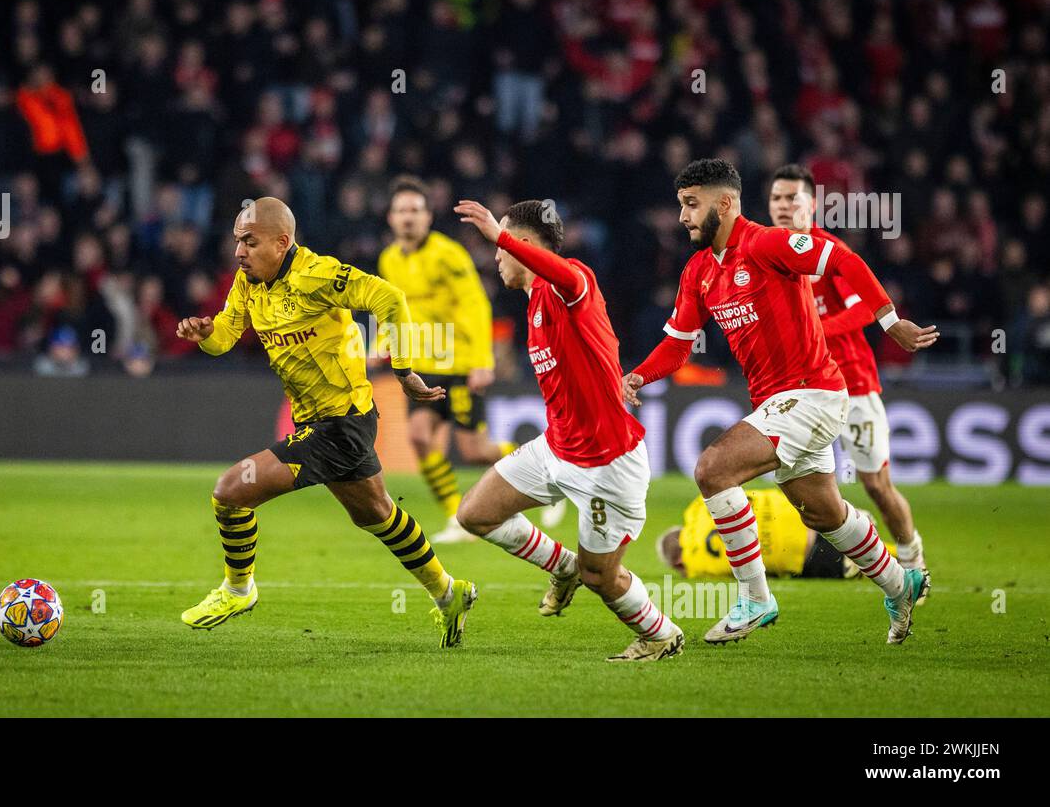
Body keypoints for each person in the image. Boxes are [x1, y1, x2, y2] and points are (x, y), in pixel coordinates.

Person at [625, 159, 936, 645]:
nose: (683, 216)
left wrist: (889, 320)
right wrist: (638, 375)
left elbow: (842, 259)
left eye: (691, 204)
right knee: (823, 515)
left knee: (712, 468)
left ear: (724, 204)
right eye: (681, 205)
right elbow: (678, 344)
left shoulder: (766, 243)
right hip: (778, 402)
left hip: (814, 392)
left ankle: (755, 597)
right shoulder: (699, 271)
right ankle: (901, 583)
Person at [174, 197, 477, 648]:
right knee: (376, 514)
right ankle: (449, 592)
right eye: (237, 240)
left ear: (282, 242)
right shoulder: (248, 282)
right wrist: (205, 336)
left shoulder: (316, 275)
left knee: (230, 492)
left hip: (340, 423)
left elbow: (387, 296)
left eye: (250, 242)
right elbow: (224, 337)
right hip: (325, 421)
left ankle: (239, 589)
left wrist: (403, 369)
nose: (239, 251)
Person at [449, 198, 683, 662]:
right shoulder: (535, 302)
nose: (497, 256)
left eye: (503, 248)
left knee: (603, 578)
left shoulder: (571, 283)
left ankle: (660, 634)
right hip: (556, 449)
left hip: (605, 464)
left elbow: (566, 276)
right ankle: (563, 567)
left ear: (525, 245)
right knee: (474, 514)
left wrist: (499, 233)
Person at [768, 164, 928, 596]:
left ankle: (912, 557)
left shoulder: (828, 250)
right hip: (799, 391)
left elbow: (863, 310)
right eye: (777, 199)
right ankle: (854, 558)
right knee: (804, 488)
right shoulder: (767, 252)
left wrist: (815, 327)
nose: (784, 206)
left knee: (875, 483)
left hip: (852, 384)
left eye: (792, 199)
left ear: (812, 205)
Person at [377, 177, 529, 543]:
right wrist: (383, 342)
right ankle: (456, 517)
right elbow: (396, 311)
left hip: (460, 363)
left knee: (474, 451)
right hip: (424, 366)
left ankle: (545, 467)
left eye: (415, 210)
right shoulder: (389, 259)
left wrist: (482, 361)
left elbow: (475, 306)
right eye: (401, 211)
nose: (408, 218)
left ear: (428, 216)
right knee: (418, 436)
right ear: (390, 218)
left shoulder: (449, 255)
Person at [657, 488, 897, 580]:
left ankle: (885, 559)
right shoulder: (697, 507)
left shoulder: (696, 564)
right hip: (804, 508)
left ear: (678, 561)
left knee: (872, 563)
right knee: (859, 543)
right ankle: (852, 520)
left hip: (801, 554)